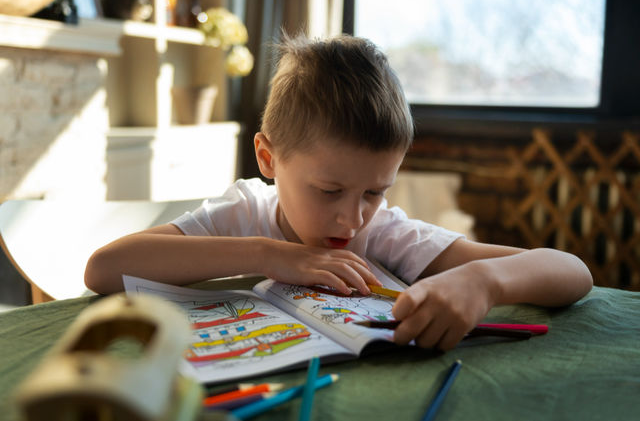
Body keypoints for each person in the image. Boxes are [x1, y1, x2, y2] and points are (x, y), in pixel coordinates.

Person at [85, 33, 593, 351]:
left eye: (375, 191)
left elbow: (573, 272)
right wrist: (270, 253)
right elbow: (104, 268)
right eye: (329, 190)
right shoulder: (243, 215)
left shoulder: (387, 236)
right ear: (268, 159)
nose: (353, 220)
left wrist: (484, 281)